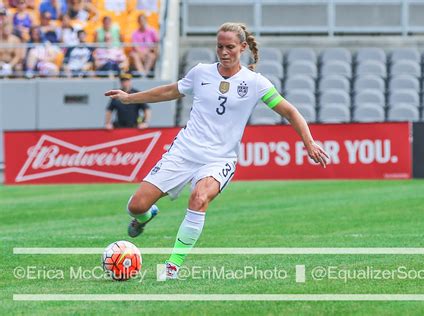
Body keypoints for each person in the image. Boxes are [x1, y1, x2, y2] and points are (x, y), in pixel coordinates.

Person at [105, 22, 329, 280]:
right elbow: (169, 91)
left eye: (230, 47)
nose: (224, 52)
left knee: (199, 198)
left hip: (219, 159)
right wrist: (129, 98)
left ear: (243, 48)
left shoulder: (255, 83)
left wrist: (309, 142)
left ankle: (172, 266)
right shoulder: (201, 73)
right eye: (220, 46)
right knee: (136, 206)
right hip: (184, 151)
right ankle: (146, 216)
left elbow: (290, 111)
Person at [130, 13, 159, 77]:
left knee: (151, 56)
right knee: (134, 55)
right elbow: (135, 46)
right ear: (138, 22)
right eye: (140, 21)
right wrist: (141, 53)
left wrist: (147, 51)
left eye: (143, 21)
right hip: (139, 53)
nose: (142, 23)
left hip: (149, 52)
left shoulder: (152, 31)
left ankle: (145, 73)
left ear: (146, 21)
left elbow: (156, 43)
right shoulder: (135, 33)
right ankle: (142, 73)